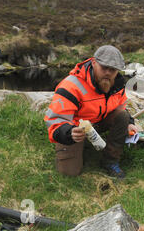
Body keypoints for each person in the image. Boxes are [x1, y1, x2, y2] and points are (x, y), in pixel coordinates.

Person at [44, 45, 138, 178]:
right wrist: (70, 133)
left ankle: (110, 161)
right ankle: (80, 147)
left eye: (113, 69)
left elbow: (120, 108)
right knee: (69, 172)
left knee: (123, 117)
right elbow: (56, 120)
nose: (108, 72)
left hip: (97, 124)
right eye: (104, 67)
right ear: (94, 63)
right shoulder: (71, 86)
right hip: (75, 130)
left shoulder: (117, 85)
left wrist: (129, 123)